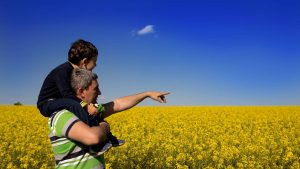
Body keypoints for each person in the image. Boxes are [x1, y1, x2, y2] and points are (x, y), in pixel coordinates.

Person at [49, 68, 169, 168]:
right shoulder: (61, 115)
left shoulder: (91, 111)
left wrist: (147, 94)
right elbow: (93, 137)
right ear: (81, 92)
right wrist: (105, 126)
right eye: (96, 89)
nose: (100, 93)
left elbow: (118, 104)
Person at [37, 39, 121, 145]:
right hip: (47, 103)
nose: (95, 66)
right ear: (85, 62)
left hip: (61, 100)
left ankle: (107, 136)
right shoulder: (62, 71)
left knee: (79, 106)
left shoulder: (72, 72)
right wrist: (86, 106)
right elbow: (67, 94)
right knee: (74, 104)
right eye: (94, 63)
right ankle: (97, 140)